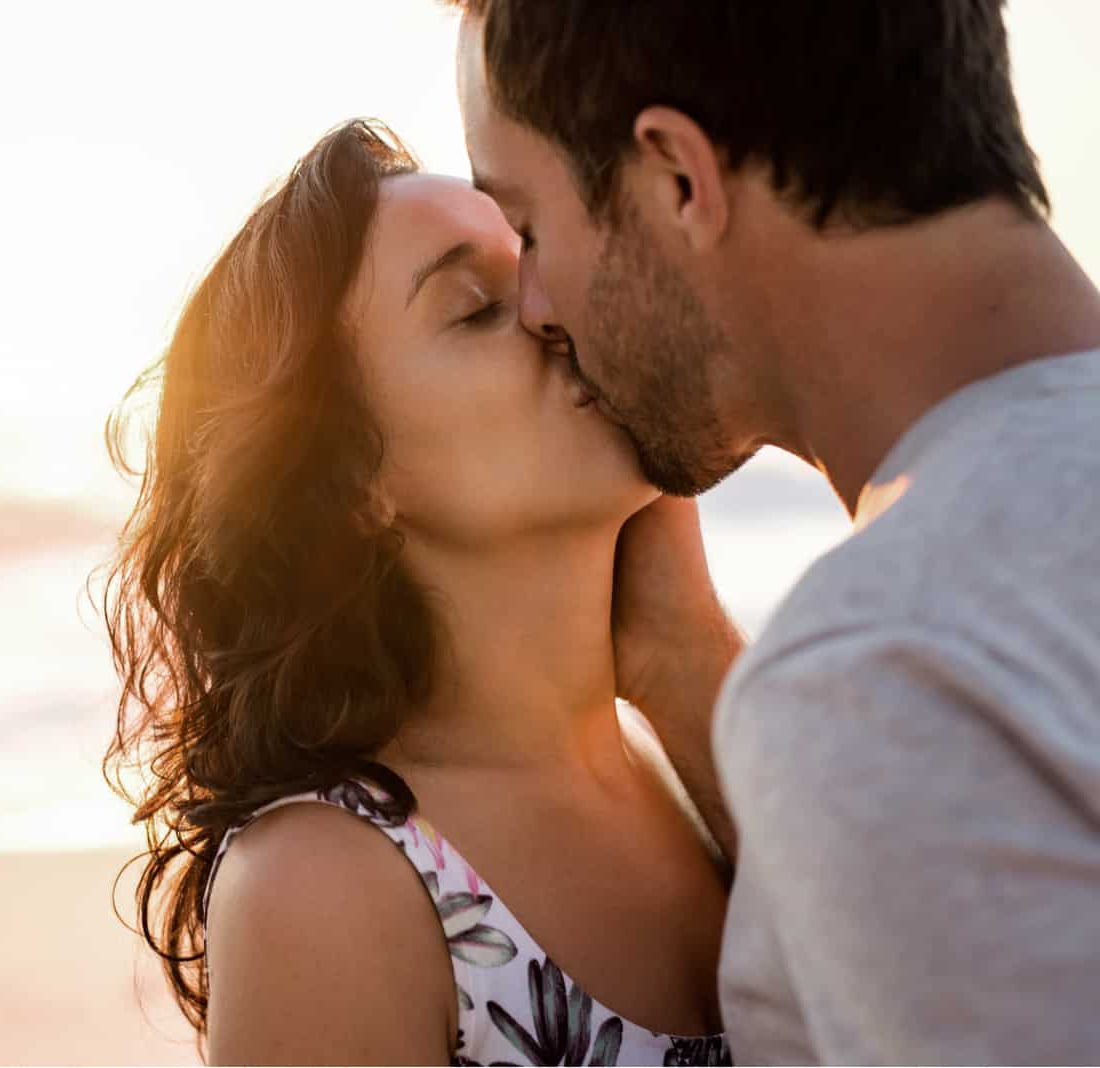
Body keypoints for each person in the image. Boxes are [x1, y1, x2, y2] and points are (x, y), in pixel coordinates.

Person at [450, 1, 1100, 1062]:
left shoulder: (891, 667)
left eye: (527, 227)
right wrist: (684, 662)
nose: (534, 305)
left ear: (675, 180)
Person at [102, 120, 735, 1066]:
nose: (557, 307)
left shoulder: (688, 762)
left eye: (539, 255)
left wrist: (686, 653)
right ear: (353, 481)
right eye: (477, 306)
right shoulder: (325, 885)